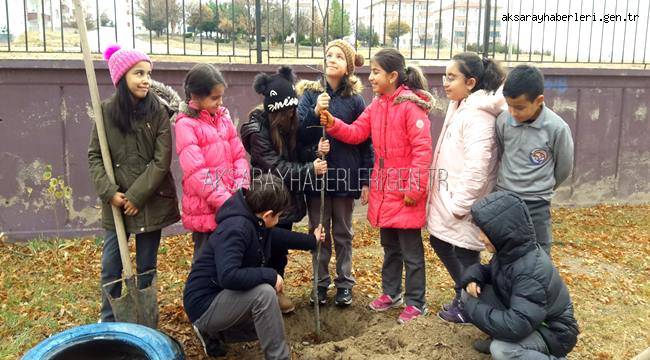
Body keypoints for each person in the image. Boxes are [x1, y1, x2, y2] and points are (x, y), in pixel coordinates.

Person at [320, 48, 433, 323]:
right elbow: (357, 132)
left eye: (375, 72)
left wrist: (414, 189)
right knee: (390, 246)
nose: (369, 77)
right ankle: (391, 292)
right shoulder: (378, 104)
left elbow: (422, 151)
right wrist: (334, 124)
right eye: (370, 71)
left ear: (393, 76)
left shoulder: (410, 107)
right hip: (386, 189)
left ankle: (416, 301)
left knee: (411, 251)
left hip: (406, 190)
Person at [183, 174, 325, 360]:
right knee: (264, 294)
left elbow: (277, 236)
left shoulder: (252, 219)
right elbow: (228, 275)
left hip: (221, 296)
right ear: (267, 215)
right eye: (279, 215)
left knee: (266, 325)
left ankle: (217, 334)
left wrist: (311, 241)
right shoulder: (236, 229)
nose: (279, 219)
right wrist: (270, 275)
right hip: (204, 305)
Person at [88, 44, 180, 322]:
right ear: (121, 77)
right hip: (115, 206)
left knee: (146, 267)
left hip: (150, 203)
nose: (146, 80)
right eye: (138, 73)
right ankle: (109, 320)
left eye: (148, 73)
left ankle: (144, 320)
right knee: (111, 265)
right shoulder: (105, 112)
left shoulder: (158, 113)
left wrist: (136, 197)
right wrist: (110, 193)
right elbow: (94, 156)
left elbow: (161, 161)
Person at [426, 52, 506, 324]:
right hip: (450, 197)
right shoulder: (461, 106)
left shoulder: (479, 116)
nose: (445, 83)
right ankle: (467, 293)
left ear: (470, 82)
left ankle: (470, 302)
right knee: (440, 240)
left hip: (464, 200)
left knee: (465, 250)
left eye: (452, 77)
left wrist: (461, 204)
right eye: (444, 76)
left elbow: (478, 166)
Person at [240, 66, 328, 313]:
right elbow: (276, 167)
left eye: (293, 110)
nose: (292, 115)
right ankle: (260, 295)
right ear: (274, 111)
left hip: (285, 200)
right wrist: (310, 169)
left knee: (279, 250)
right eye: (288, 111)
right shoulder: (258, 132)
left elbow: (297, 153)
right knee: (263, 250)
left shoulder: (289, 123)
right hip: (267, 197)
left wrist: (315, 153)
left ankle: (277, 291)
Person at [296, 39, 373, 306]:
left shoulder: (355, 101)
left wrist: (365, 180)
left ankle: (344, 284)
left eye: (339, 56)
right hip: (318, 177)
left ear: (348, 67)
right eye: (329, 54)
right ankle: (319, 284)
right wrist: (316, 114)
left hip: (344, 177)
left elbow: (366, 142)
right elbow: (299, 134)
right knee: (318, 233)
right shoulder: (309, 95)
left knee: (342, 232)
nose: (332, 59)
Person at [460, 191, 579, 359]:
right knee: (468, 293)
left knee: (502, 350)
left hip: (553, 332)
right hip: (529, 318)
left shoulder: (530, 272)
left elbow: (516, 326)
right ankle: (500, 336)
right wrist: (473, 277)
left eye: (484, 232)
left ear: (501, 232)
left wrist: (471, 309)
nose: (480, 237)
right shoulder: (509, 253)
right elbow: (492, 273)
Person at [175, 63, 249, 262]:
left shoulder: (224, 119)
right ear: (195, 96)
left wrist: (240, 191)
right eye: (214, 98)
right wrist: (227, 201)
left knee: (230, 261)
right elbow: (197, 173)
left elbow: (239, 157)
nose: (220, 102)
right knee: (205, 263)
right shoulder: (185, 125)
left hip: (231, 206)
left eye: (221, 97)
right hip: (206, 210)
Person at [497, 64, 575, 255]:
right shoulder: (503, 121)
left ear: (539, 100)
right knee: (504, 251)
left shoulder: (557, 128)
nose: (513, 113)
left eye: (520, 107)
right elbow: (502, 152)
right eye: (509, 106)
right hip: (505, 200)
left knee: (538, 254)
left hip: (537, 204)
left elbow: (563, 168)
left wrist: (541, 187)